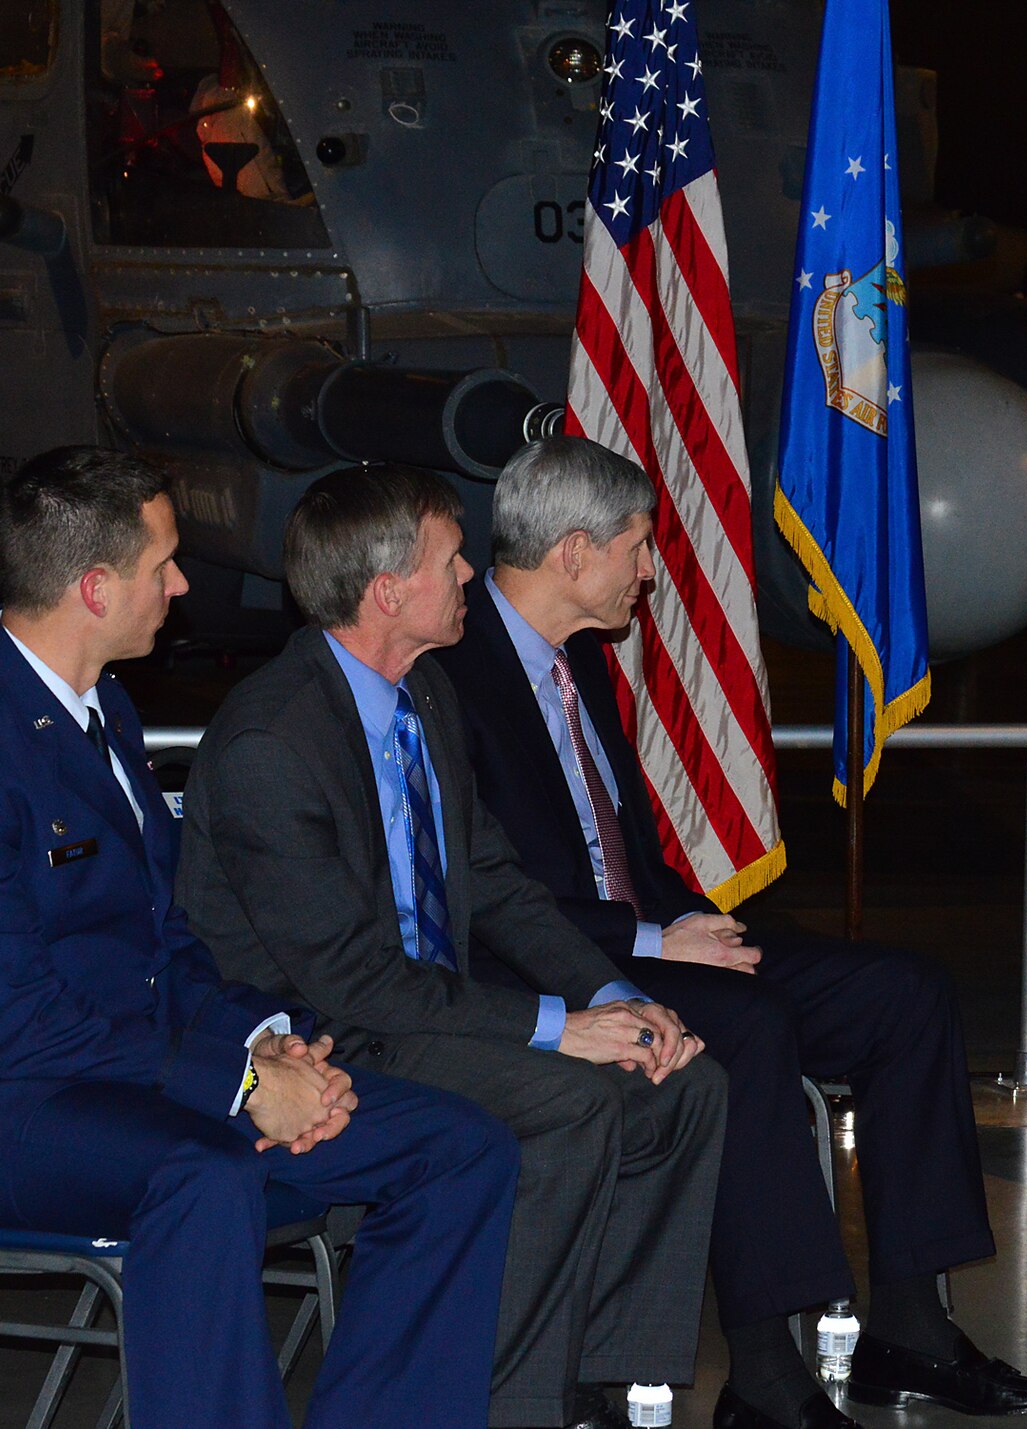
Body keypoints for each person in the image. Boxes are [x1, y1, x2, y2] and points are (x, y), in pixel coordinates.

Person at [0, 446, 518, 1428]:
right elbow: (14, 1028)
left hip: (133, 1081)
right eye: (163, 564)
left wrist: (267, 1042)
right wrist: (240, 1086)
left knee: (456, 1146)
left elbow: (168, 944)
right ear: (95, 586)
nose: (182, 584)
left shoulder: (99, 708)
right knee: (205, 1175)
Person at [429, 436, 1027, 1429]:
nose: (650, 572)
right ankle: (766, 1376)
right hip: (549, 964)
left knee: (905, 994)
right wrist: (649, 945)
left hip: (641, 935)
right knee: (752, 1021)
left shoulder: (580, 663)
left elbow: (625, 844)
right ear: (569, 553)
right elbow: (486, 891)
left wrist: (681, 912)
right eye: (638, 548)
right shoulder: (452, 678)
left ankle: (908, 1330)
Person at [177, 466, 725, 1429]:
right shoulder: (273, 740)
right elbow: (354, 983)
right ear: (388, 591)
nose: (472, 571)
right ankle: (507, 1404)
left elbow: (500, 886)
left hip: (418, 1011)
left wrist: (607, 995)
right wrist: (561, 1031)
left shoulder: (424, 692)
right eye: (451, 557)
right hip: (327, 1041)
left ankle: (598, 1382)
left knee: (680, 1079)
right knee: (568, 1098)